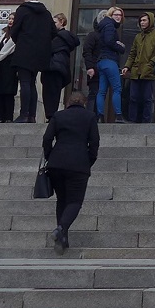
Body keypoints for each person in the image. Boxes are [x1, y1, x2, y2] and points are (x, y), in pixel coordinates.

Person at [41, 90, 100, 253]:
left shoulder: (58, 116)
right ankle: (61, 229)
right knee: (74, 202)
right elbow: (94, 143)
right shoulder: (89, 117)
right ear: (84, 102)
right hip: (78, 165)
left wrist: (49, 156)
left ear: (68, 102)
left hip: (56, 164)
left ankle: (63, 239)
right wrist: (89, 161)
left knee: (62, 200)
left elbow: (47, 139)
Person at [10, 0, 54, 125]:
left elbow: (14, 30)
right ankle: (32, 115)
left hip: (24, 51)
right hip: (40, 53)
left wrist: (20, 41)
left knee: (24, 82)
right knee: (32, 83)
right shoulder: (46, 13)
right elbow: (53, 32)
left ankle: (24, 114)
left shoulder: (22, 10)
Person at [124, 11, 155, 123]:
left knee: (147, 98)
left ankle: (146, 121)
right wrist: (127, 66)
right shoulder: (138, 36)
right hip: (136, 71)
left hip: (149, 72)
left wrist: (151, 63)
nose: (142, 23)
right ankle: (132, 120)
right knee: (133, 97)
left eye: (144, 20)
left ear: (150, 21)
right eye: (141, 20)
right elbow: (132, 53)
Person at [92, 7, 127, 122]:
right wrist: (120, 47)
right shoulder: (110, 26)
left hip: (101, 61)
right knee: (117, 89)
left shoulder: (102, 25)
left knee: (102, 91)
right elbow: (109, 41)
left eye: (120, 15)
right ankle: (118, 115)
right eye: (115, 14)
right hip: (110, 60)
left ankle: (100, 116)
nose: (118, 17)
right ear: (110, 15)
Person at [43, 13, 79, 121]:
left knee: (50, 93)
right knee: (53, 92)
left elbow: (48, 49)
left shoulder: (60, 37)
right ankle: (51, 115)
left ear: (62, 22)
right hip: (58, 67)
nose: (52, 25)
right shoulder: (65, 37)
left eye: (54, 22)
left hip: (53, 66)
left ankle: (51, 116)